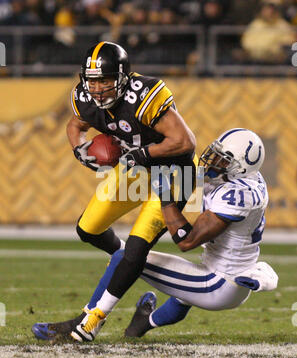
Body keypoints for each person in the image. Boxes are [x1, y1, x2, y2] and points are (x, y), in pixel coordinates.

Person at [32, 40, 197, 341]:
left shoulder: (143, 95)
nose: (97, 89)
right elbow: (75, 125)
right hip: (136, 169)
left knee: (137, 247)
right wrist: (78, 149)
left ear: (122, 78)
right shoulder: (86, 98)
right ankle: (127, 260)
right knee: (89, 228)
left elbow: (185, 142)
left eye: (105, 81)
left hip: (175, 172)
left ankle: (93, 319)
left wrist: (142, 154)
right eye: (92, 81)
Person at [124, 127, 278, 337]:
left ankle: (91, 319)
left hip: (222, 283)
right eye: (217, 154)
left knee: (123, 256)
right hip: (228, 272)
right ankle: (142, 324)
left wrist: (164, 193)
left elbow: (186, 241)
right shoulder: (245, 178)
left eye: (224, 159)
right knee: (183, 295)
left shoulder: (237, 194)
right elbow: (193, 177)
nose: (214, 160)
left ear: (240, 168)